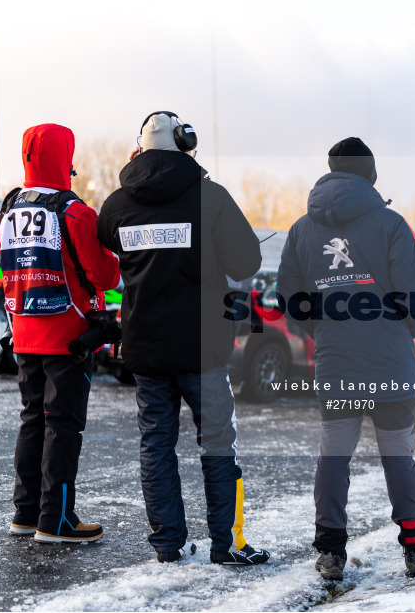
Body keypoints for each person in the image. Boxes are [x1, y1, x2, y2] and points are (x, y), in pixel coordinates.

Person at [97, 111, 270, 565]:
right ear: (185, 142)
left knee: (156, 445)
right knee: (217, 443)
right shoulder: (210, 196)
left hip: (146, 348)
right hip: (203, 348)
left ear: (139, 148)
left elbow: (109, 242)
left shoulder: (116, 205)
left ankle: (168, 544)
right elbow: (246, 263)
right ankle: (226, 545)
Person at [277, 137, 415, 581]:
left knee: (334, 455)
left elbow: (291, 300)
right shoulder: (390, 224)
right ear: (369, 174)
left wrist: (324, 328)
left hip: (336, 364)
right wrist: (408, 329)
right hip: (391, 363)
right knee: (397, 456)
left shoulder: (300, 230)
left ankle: (331, 552)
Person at [0, 124, 121, 542]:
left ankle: (25, 515)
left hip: (23, 332)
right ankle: (58, 521)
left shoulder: (10, 206)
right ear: (66, 158)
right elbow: (104, 275)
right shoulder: (75, 212)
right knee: (63, 426)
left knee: (32, 420)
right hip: (69, 337)